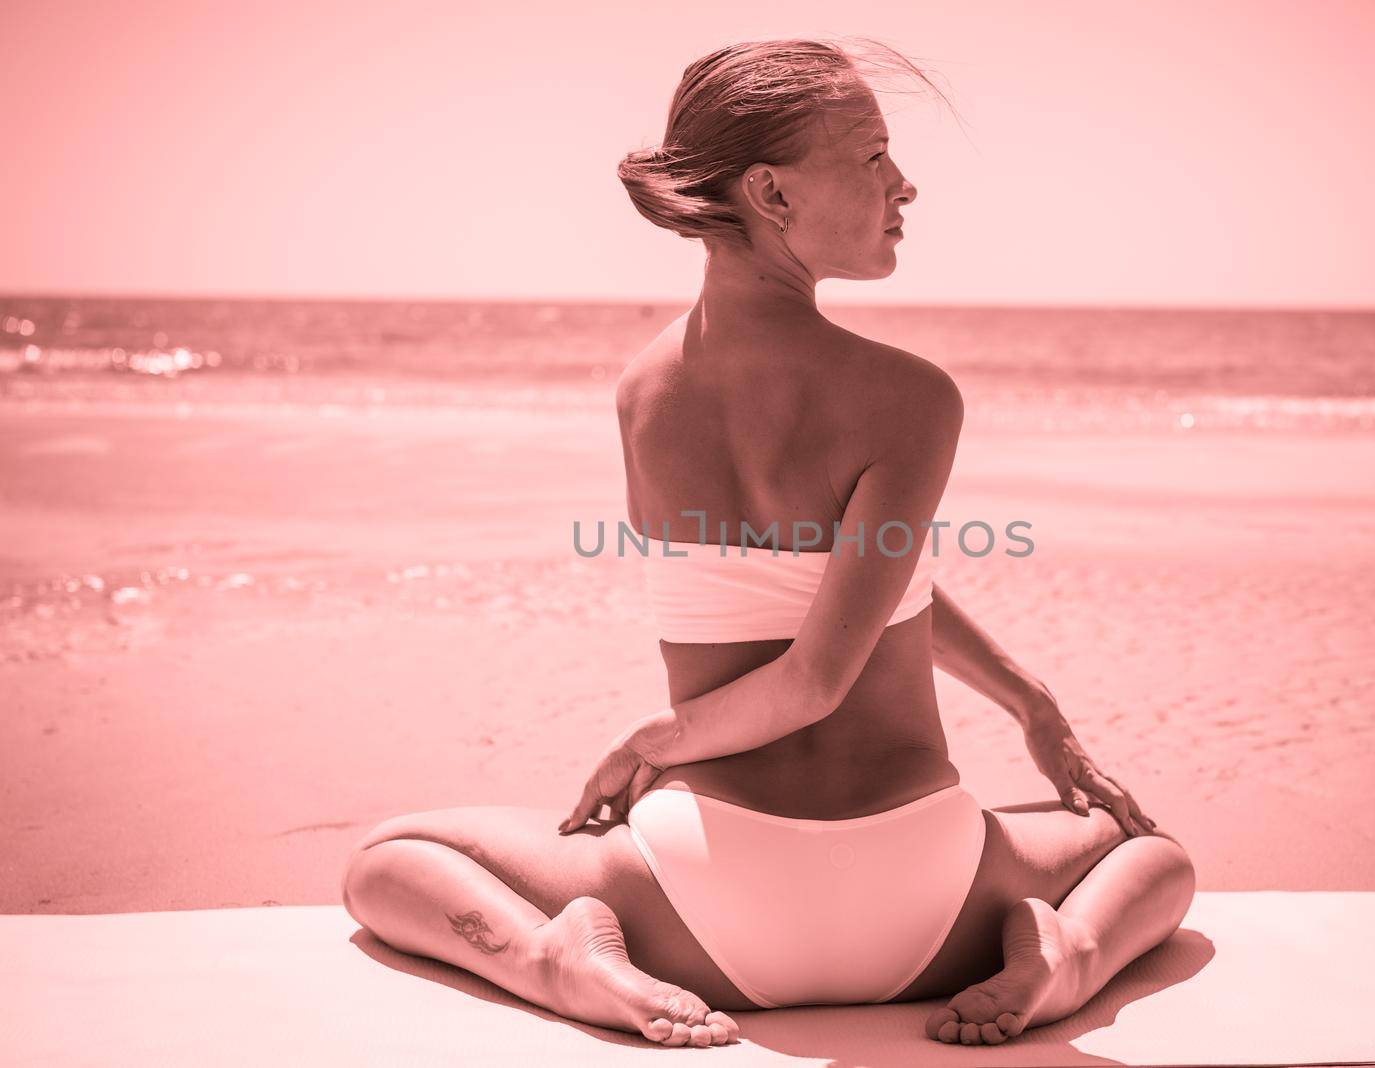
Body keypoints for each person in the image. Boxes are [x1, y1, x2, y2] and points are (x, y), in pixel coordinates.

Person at [342, 36, 1196, 1050]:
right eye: (873, 158)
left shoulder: (645, 392)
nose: (904, 185)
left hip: (700, 914)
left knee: (387, 862)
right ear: (771, 194)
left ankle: (549, 961)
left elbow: (855, 596)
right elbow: (817, 678)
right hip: (930, 913)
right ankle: (1070, 960)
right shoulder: (911, 396)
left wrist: (1027, 700)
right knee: (1151, 858)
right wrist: (648, 743)